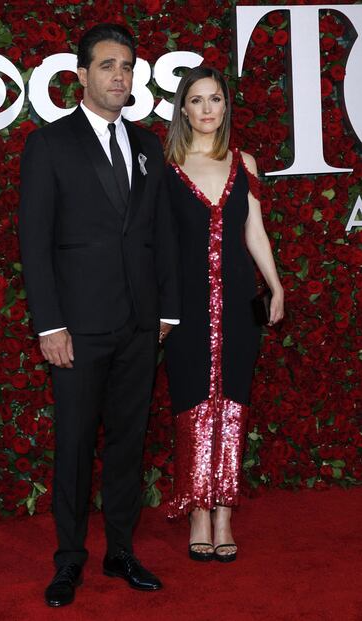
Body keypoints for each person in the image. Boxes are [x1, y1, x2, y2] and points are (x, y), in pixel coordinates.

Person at [19, 23, 179, 606]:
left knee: (128, 446)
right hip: (78, 330)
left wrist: (169, 311)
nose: (120, 76)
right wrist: (49, 324)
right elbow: (33, 243)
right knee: (75, 446)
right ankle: (68, 561)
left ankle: (120, 551)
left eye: (127, 67)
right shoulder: (49, 144)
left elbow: (159, 234)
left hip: (140, 326)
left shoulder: (145, 146)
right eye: (108, 65)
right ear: (82, 75)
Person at [163, 66, 284, 563]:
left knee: (234, 402)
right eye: (197, 100)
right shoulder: (165, 163)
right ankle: (196, 509)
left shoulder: (245, 161)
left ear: (225, 107)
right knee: (192, 402)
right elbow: (157, 243)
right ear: (183, 108)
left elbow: (253, 231)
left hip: (237, 301)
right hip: (184, 307)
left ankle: (224, 514)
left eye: (215, 99)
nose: (208, 109)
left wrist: (275, 287)